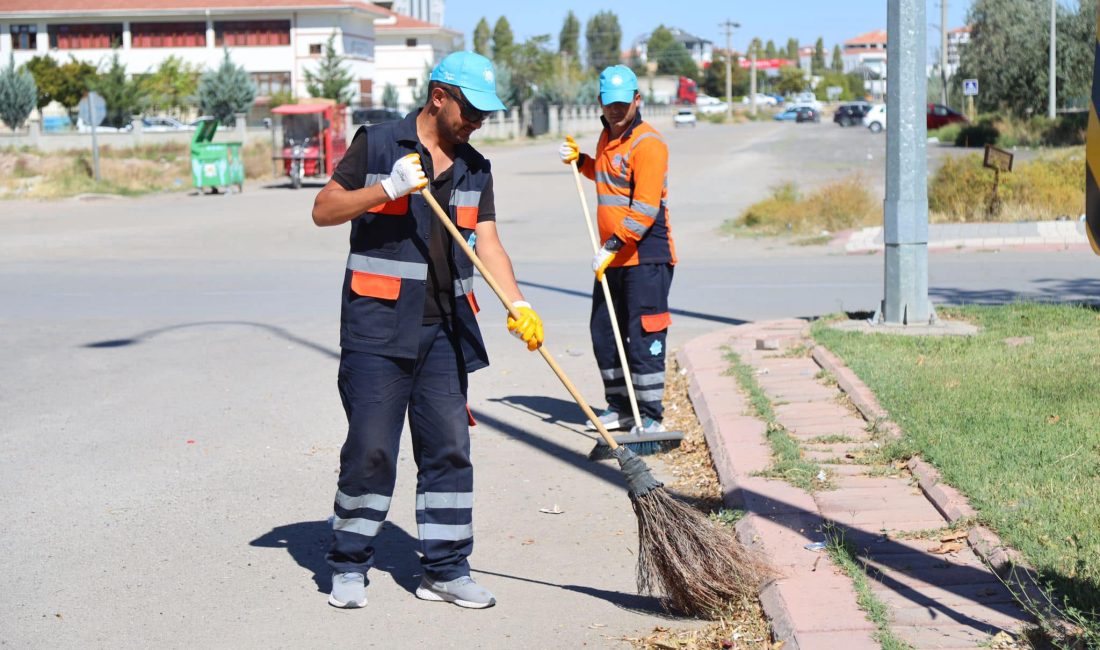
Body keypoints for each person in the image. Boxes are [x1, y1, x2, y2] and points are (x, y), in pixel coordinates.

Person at [311, 51, 543, 610]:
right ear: (439, 96)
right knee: (370, 450)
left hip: (445, 331)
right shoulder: (379, 144)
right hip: (377, 327)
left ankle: (445, 568)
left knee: (448, 449)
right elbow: (324, 209)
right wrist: (384, 189)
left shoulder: (476, 166)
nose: (478, 120)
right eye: (471, 109)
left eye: (486, 112)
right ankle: (348, 564)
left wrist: (517, 302)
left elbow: (486, 240)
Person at [559, 65, 676, 435]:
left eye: (623, 104)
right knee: (604, 332)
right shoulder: (607, 137)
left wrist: (611, 245)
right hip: (612, 257)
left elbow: (644, 209)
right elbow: (607, 177)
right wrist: (581, 162)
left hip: (645, 256)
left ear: (637, 100)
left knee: (643, 333)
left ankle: (650, 413)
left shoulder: (649, 144)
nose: (616, 110)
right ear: (600, 102)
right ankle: (621, 407)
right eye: (610, 104)